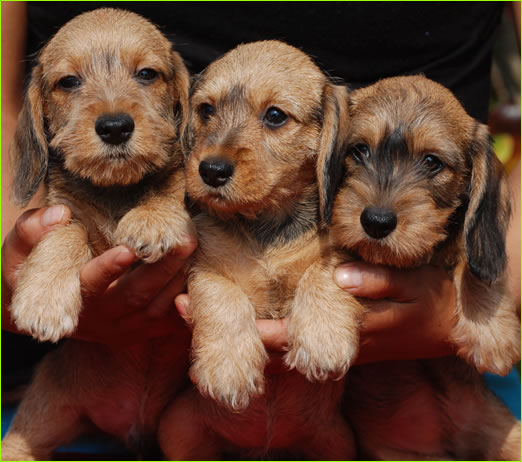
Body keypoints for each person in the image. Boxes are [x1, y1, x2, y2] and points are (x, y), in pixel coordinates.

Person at [2, 0, 520, 414]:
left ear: (329, 142)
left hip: (409, 372)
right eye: (204, 112)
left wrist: (483, 293)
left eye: (276, 117)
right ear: (190, 115)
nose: (218, 151)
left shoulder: (349, 139)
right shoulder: (192, 163)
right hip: (84, 377)